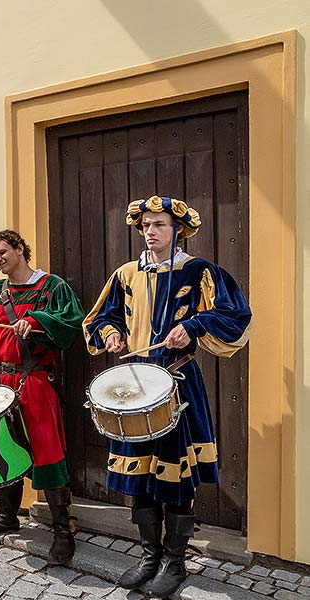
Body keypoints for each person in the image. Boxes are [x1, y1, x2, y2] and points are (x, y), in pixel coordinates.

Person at [83, 196, 252, 597]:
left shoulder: (199, 272)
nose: (150, 231)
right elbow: (99, 317)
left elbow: (236, 314)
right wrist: (110, 333)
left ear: (178, 229)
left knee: (174, 479)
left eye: (158, 224)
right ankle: (149, 557)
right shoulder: (125, 274)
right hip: (134, 383)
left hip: (176, 384)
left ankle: (175, 564)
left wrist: (193, 326)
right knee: (140, 478)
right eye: (145, 225)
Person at [0, 230, 85, 566]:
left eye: (3, 252)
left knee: (47, 450)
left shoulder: (52, 287)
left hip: (34, 381)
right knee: (4, 447)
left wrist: (36, 321)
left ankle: (62, 530)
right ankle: (6, 516)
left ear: (19, 249)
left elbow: (72, 324)